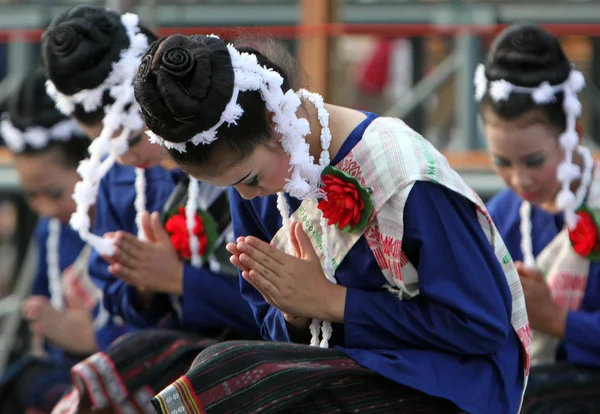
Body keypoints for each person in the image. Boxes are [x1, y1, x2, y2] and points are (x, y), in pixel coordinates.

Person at [133, 33, 530, 414]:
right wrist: (294, 312)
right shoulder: (263, 183)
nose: (247, 198)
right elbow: (266, 323)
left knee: (229, 376)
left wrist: (329, 301)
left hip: (451, 382)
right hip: (346, 364)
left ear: (276, 122)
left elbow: (480, 326)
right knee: (214, 368)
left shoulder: (405, 175)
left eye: (248, 180)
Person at [41, 6, 259, 413]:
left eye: (130, 137)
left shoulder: (238, 169)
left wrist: (180, 280)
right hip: (163, 369)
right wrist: (142, 287)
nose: (122, 158)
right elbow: (112, 295)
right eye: (106, 145)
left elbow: (279, 309)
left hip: (241, 366)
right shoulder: (116, 182)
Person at [480, 23, 600, 413]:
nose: (520, 179)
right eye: (502, 162)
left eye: (534, 161)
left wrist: (557, 319)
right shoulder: (500, 213)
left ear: (573, 133)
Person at [0, 68, 99, 413]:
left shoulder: (124, 219)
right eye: (32, 196)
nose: (44, 208)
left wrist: (91, 337)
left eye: (55, 193)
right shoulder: (51, 230)